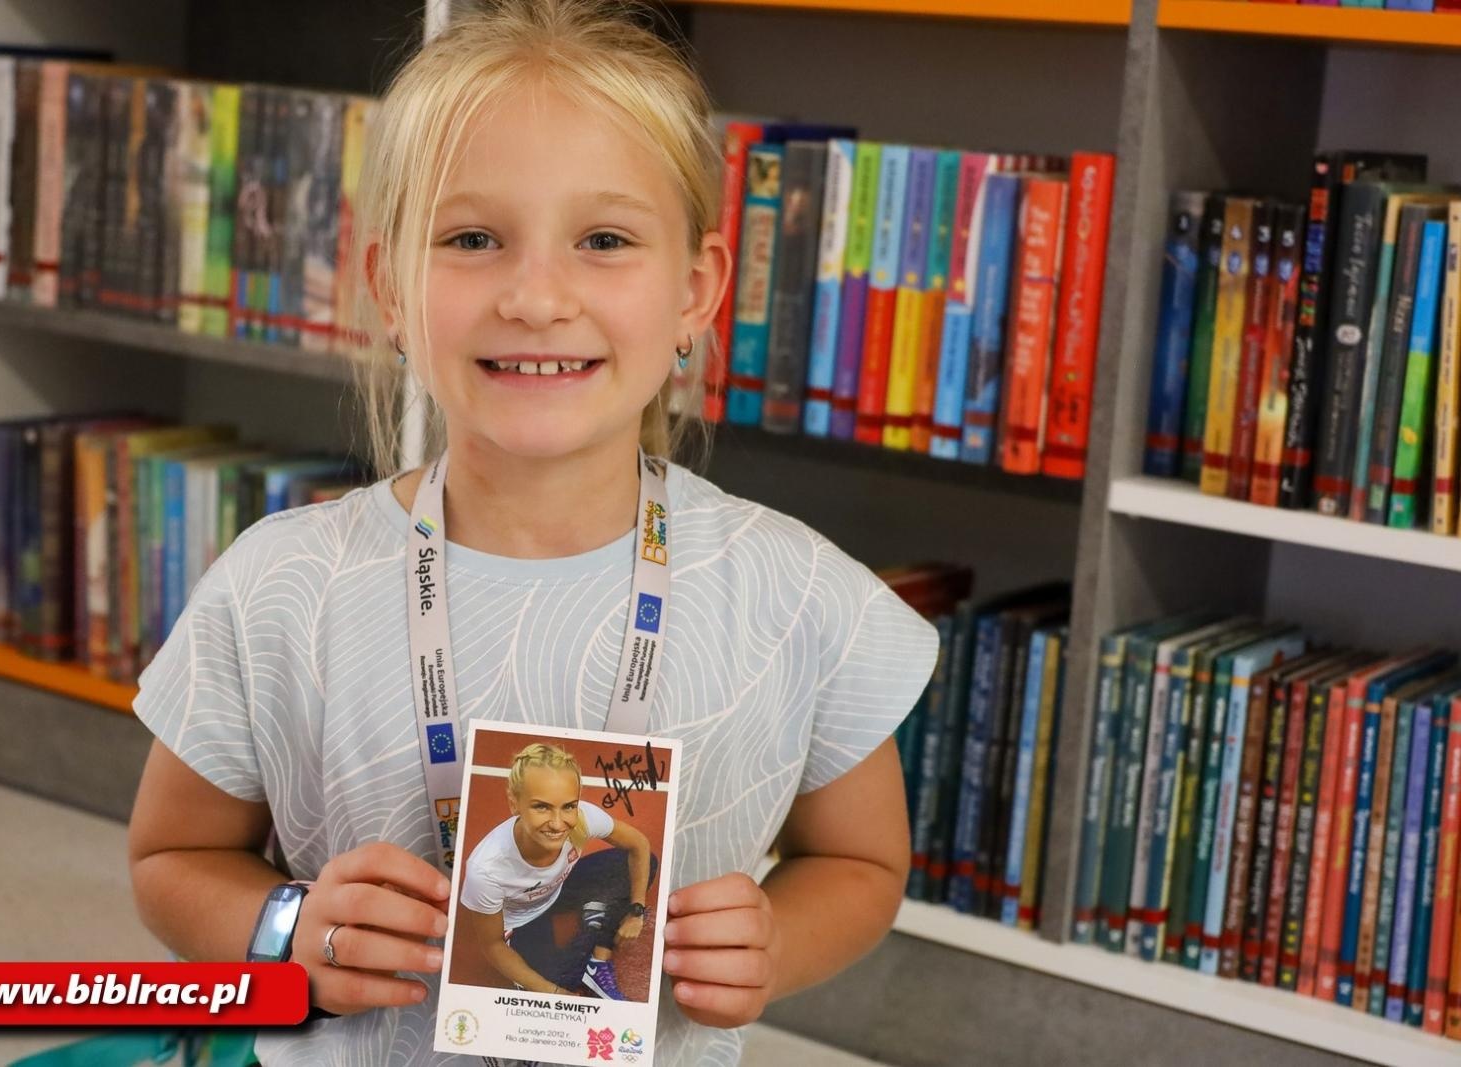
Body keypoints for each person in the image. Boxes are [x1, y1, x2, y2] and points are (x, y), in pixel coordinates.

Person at [126, 0, 940, 1064]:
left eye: (603, 240)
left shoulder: (796, 593)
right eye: (471, 239)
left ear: (696, 289)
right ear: (390, 286)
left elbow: (866, 865)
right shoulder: (283, 584)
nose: (536, 295)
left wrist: (776, 940)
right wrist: (284, 928)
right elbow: (172, 853)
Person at [458, 742, 659, 999]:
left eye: (568, 806)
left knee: (644, 864)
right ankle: (584, 934)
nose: (557, 823)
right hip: (524, 917)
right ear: (514, 803)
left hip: (559, 888)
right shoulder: (486, 869)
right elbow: (492, 946)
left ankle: (597, 961)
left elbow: (639, 845)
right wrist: (555, 993)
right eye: (541, 807)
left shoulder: (582, 819)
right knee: (559, 978)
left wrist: (636, 910)